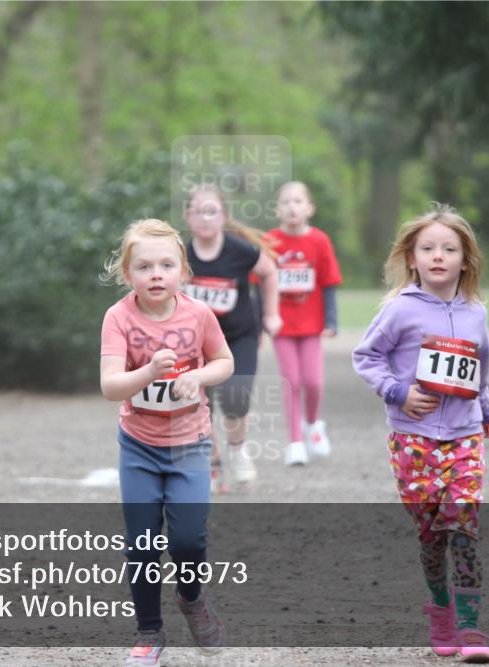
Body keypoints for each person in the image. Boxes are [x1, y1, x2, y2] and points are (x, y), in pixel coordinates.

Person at [352, 204, 489, 662]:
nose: (439, 256)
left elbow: (480, 367)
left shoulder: (476, 313)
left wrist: (486, 411)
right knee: (430, 534)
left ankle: (472, 630)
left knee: (463, 525)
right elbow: (365, 357)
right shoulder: (400, 310)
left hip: (464, 435)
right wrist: (398, 392)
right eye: (428, 248)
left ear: (465, 259)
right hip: (412, 439)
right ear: (412, 258)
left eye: (449, 249)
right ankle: (440, 610)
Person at [99, 218, 235, 666]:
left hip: (189, 444)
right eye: (143, 266)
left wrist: (197, 376)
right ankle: (148, 632)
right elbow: (111, 386)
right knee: (141, 543)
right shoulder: (118, 317)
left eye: (165, 265)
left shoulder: (197, 314)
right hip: (138, 445)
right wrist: (149, 373)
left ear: (182, 271)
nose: (155, 274)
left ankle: (192, 598)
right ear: (127, 274)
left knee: (189, 541)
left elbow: (224, 361)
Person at [183, 184, 282, 490]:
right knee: (199, 403)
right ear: (188, 216)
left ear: (223, 216)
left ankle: (237, 449)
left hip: (240, 336)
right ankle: (212, 462)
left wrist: (271, 314)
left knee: (235, 398)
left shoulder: (241, 251)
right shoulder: (181, 255)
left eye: (212, 211)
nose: (205, 218)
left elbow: (269, 272)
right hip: (196, 342)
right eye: (198, 211)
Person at [266, 181, 342, 466]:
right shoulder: (270, 241)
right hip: (281, 325)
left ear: (309, 208)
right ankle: (295, 442)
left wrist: (331, 320)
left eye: (298, 201)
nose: (291, 207)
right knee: (292, 381)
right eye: (285, 202)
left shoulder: (319, 240)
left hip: (312, 324)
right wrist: (263, 319)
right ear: (277, 210)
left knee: (313, 382)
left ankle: (312, 424)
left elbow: (329, 282)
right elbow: (259, 283)